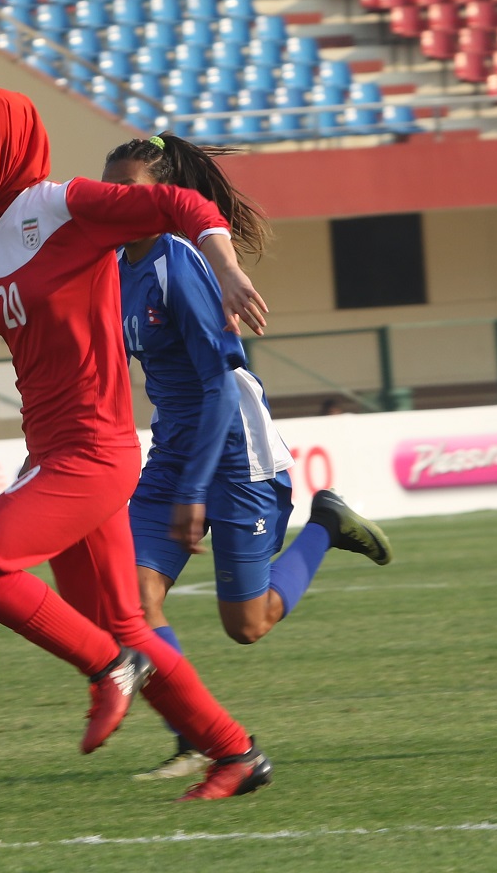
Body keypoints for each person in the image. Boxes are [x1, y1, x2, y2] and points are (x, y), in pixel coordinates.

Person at [0, 86, 273, 800]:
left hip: (95, 452)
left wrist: (226, 266)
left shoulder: (66, 205)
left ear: (5, 145)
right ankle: (235, 753)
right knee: (124, 620)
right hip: (50, 453)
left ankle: (111, 668)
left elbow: (183, 207)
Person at [105, 135, 393, 782]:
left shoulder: (180, 265)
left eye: (131, 190)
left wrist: (194, 489)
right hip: (175, 446)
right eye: (109, 189)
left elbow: (215, 386)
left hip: (233, 451)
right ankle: (196, 737)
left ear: (163, 201)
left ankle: (327, 525)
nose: (115, 201)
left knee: (249, 622)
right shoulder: (116, 264)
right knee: (131, 596)